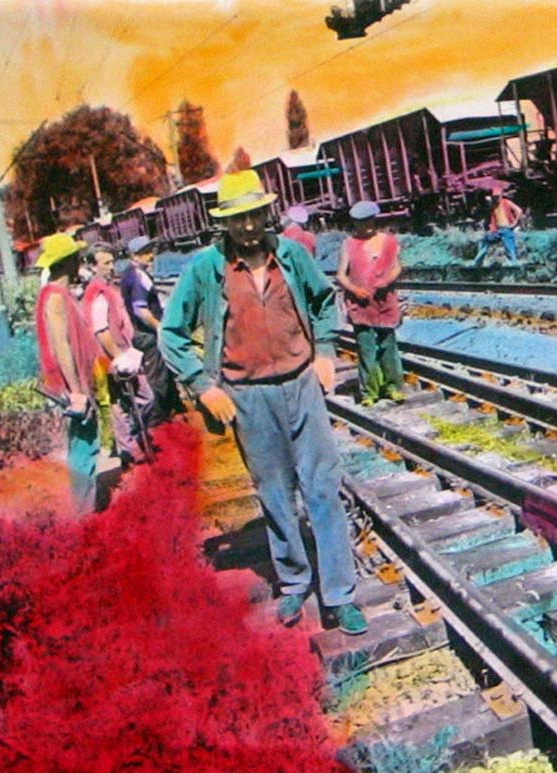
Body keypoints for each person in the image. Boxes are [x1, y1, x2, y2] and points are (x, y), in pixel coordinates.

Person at [161, 169, 367, 634]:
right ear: (224, 222)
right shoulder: (206, 268)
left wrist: (325, 351)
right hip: (247, 396)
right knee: (273, 492)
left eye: (255, 215)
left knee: (322, 488)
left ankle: (340, 594)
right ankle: (294, 583)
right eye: (238, 218)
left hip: (300, 385)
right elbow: (171, 332)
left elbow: (323, 301)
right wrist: (203, 385)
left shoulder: (291, 255)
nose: (249, 226)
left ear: (266, 213)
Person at [34, 233, 103, 514]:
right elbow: (61, 345)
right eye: (76, 258)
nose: (79, 263)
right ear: (66, 262)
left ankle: (85, 507)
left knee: (83, 446)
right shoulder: (55, 297)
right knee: (84, 446)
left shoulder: (57, 294)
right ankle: (85, 513)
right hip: (70, 387)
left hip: (73, 384)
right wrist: (77, 391)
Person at [85, 246, 154, 464]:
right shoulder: (97, 293)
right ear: (92, 266)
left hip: (125, 351)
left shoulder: (108, 287)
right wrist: (118, 356)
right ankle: (130, 450)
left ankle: (135, 441)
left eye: (112, 262)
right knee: (121, 402)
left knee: (142, 398)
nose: (111, 267)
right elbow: (101, 330)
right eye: (105, 263)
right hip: (111, 356)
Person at [340, 200, 406, 406]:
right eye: (360, 222)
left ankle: (393, 387)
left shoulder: (388, 241)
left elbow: (397, 267)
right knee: (366, 347)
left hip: (385, 302)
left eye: (368, 221)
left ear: (375, 220)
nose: (365, 226)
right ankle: (369, 392)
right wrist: (355, 290)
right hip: (361, 305)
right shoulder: (349, 244)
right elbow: (341, 275)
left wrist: (387, 281)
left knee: (388, 346)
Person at [121, 235, 182, 427]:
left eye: (150, 251)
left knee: (163, 377)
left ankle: (170, 415)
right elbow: (140, 310)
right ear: (134, 255)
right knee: (158, 381)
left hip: (142, 334)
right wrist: (159, 327)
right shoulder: (138, 276)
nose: (151, 255)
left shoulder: (128, 274)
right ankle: (158, 424)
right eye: (145, 252)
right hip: (147, 336)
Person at [470, 191, 524, 268]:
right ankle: (478, 262)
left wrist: (515, 222)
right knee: (485, 240)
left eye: (497, 196)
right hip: (497, 230)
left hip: (506, 229)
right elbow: (492, 216)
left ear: (501, 195)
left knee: (510, 248)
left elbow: (519, 210)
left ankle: (514, 264)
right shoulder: (494, 205)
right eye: (495, 197)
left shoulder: (506, 202)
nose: (496, 198)